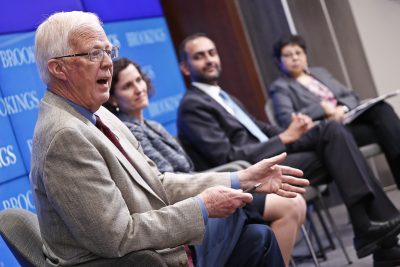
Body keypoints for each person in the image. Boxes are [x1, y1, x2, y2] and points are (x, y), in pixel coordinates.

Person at [29, 11, 310, 267]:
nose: (107, 63)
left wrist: (243, 178)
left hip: (153, 249)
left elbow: (158, 183)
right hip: (136, 261)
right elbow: (117, 237)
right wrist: (201, 208)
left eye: (108, 50)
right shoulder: (65, 135)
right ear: (58, 68)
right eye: (93, 54)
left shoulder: (100, 115)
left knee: (258, 239)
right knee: (253, 226)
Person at [177, 32, 400, 265]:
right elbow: (228, 156)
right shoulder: (193, 106)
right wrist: (284, 136)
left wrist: (296, 128)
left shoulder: (222, 96)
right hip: (253, 172)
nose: (210, 60)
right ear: (185, 66)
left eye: (212, 53)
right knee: (335, 143)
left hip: (271, 157)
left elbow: (261, 130)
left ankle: (373, 233)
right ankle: (376, 236)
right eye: (199, 56)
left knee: (331, 131)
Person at [105, 57, 307, 266]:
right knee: (281, 212)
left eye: (139, 80)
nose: (138, 88)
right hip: (186, 206)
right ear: (113, 99)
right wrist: (232, 181)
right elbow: (165, 182)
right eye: (128, 86)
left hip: (200, 190)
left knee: (271, 223)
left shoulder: (154, 125)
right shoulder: (128, 132)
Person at [269, 34, 400, 189]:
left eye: (298, 53)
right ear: (279, 61)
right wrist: (321, 108)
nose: (295, 58)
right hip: (331, 133)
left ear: (305, 56)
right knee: (388, 132)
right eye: (288, 55)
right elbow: (287, 120)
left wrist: (341, 108)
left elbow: (351, 96)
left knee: (382, 109)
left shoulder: (319, 73)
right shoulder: (280, 87)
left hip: (349, 120)